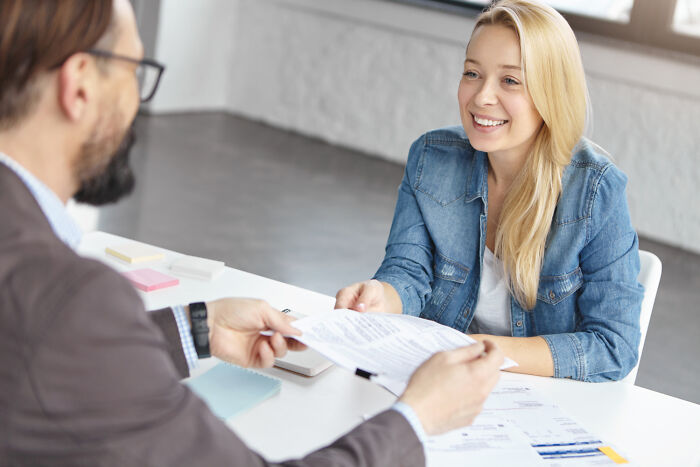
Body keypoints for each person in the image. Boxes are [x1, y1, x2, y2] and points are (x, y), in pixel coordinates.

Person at [0, 0, 504, 465]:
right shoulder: (69, 297)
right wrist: (417, 419)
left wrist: (194, 327)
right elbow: (60, 327)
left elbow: (41, 350)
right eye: (135, 72)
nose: (136, 100)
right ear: (81, 84)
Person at [335, 0, 644, 382]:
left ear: (551, 93)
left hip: (538, 402)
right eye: (472, 73)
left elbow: (614, 345)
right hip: (443, 386)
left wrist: (482, 352)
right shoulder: (431, 158)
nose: (482, 97)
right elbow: (408, 272)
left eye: (510, 80)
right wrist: (381, 296)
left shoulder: (596, 190)